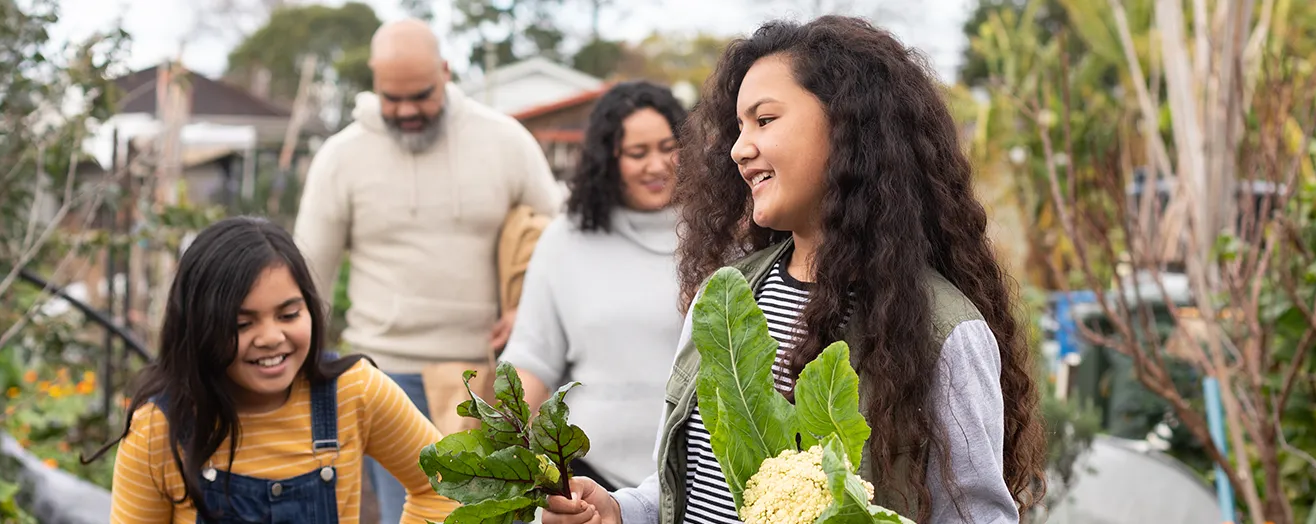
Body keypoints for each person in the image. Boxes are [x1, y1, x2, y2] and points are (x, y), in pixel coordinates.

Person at [541, 16, 1047, 524]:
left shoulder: (943, 330)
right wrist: (616, 510)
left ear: (850, 127)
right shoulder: (725, 299)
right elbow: (684, 493)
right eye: (738, 127)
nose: (739, 148)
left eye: (764, 120)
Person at [292, 18, 562, 521]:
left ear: (445, 71)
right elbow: (309, 278)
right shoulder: (341, 157)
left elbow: (560, 241)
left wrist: (528, 312)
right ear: (374, 83)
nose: (407, 110)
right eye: (392, 98)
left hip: (487, 379)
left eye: (420, 94)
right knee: (415, 515)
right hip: (384, 376)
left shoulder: (506, 141)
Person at [97, 217, 456, 524]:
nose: (271, 337)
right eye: (241, 323)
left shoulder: (354, 392)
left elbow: (446, 486)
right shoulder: (159, 426)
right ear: (199, 328)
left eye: (288, 315)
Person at [500, 81, 688, 491]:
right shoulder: (565, 240)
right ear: (607, 160)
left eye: (667, 146)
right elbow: (531, 360)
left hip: (704, 482)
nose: (656, 165)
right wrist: (498, 458)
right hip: (589, 480)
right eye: (637, 153)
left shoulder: (726, 235)